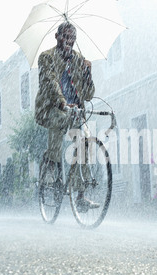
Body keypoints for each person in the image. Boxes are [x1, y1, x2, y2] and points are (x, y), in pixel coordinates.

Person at [35, 21, 99, 210]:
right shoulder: (47, 57)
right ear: (57, 37)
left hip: (75, 112)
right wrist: (63, 102)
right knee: (59, 122)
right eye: (65, 37)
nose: (69, 41)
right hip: (52, 108)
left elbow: (88, 95)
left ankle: (80, 196)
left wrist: (88, 73)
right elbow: (50, 82)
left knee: (85, 142)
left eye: (72, 38)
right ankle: (51, 166)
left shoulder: (79, 59)